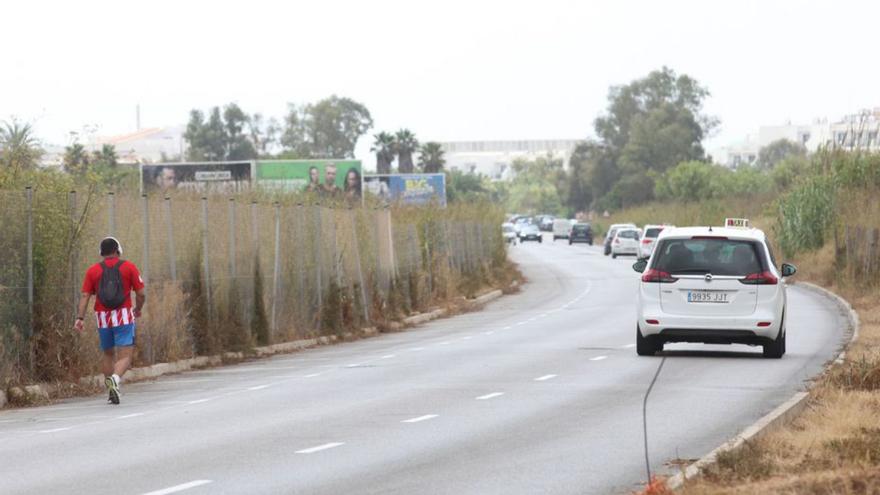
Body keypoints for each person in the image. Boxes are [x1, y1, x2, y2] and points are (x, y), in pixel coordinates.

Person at [74, 237, 146, 405]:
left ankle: (111, 391)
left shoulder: (93, 271)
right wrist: (138, 309)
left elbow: (85, 296)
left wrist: (80, 318)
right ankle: (115, 379)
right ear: (118, 250)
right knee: (126, 355)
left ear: (101, 253)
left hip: (103, 318)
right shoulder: (129, 267)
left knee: (108, 354)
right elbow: (141, 293)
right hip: (123, 316)